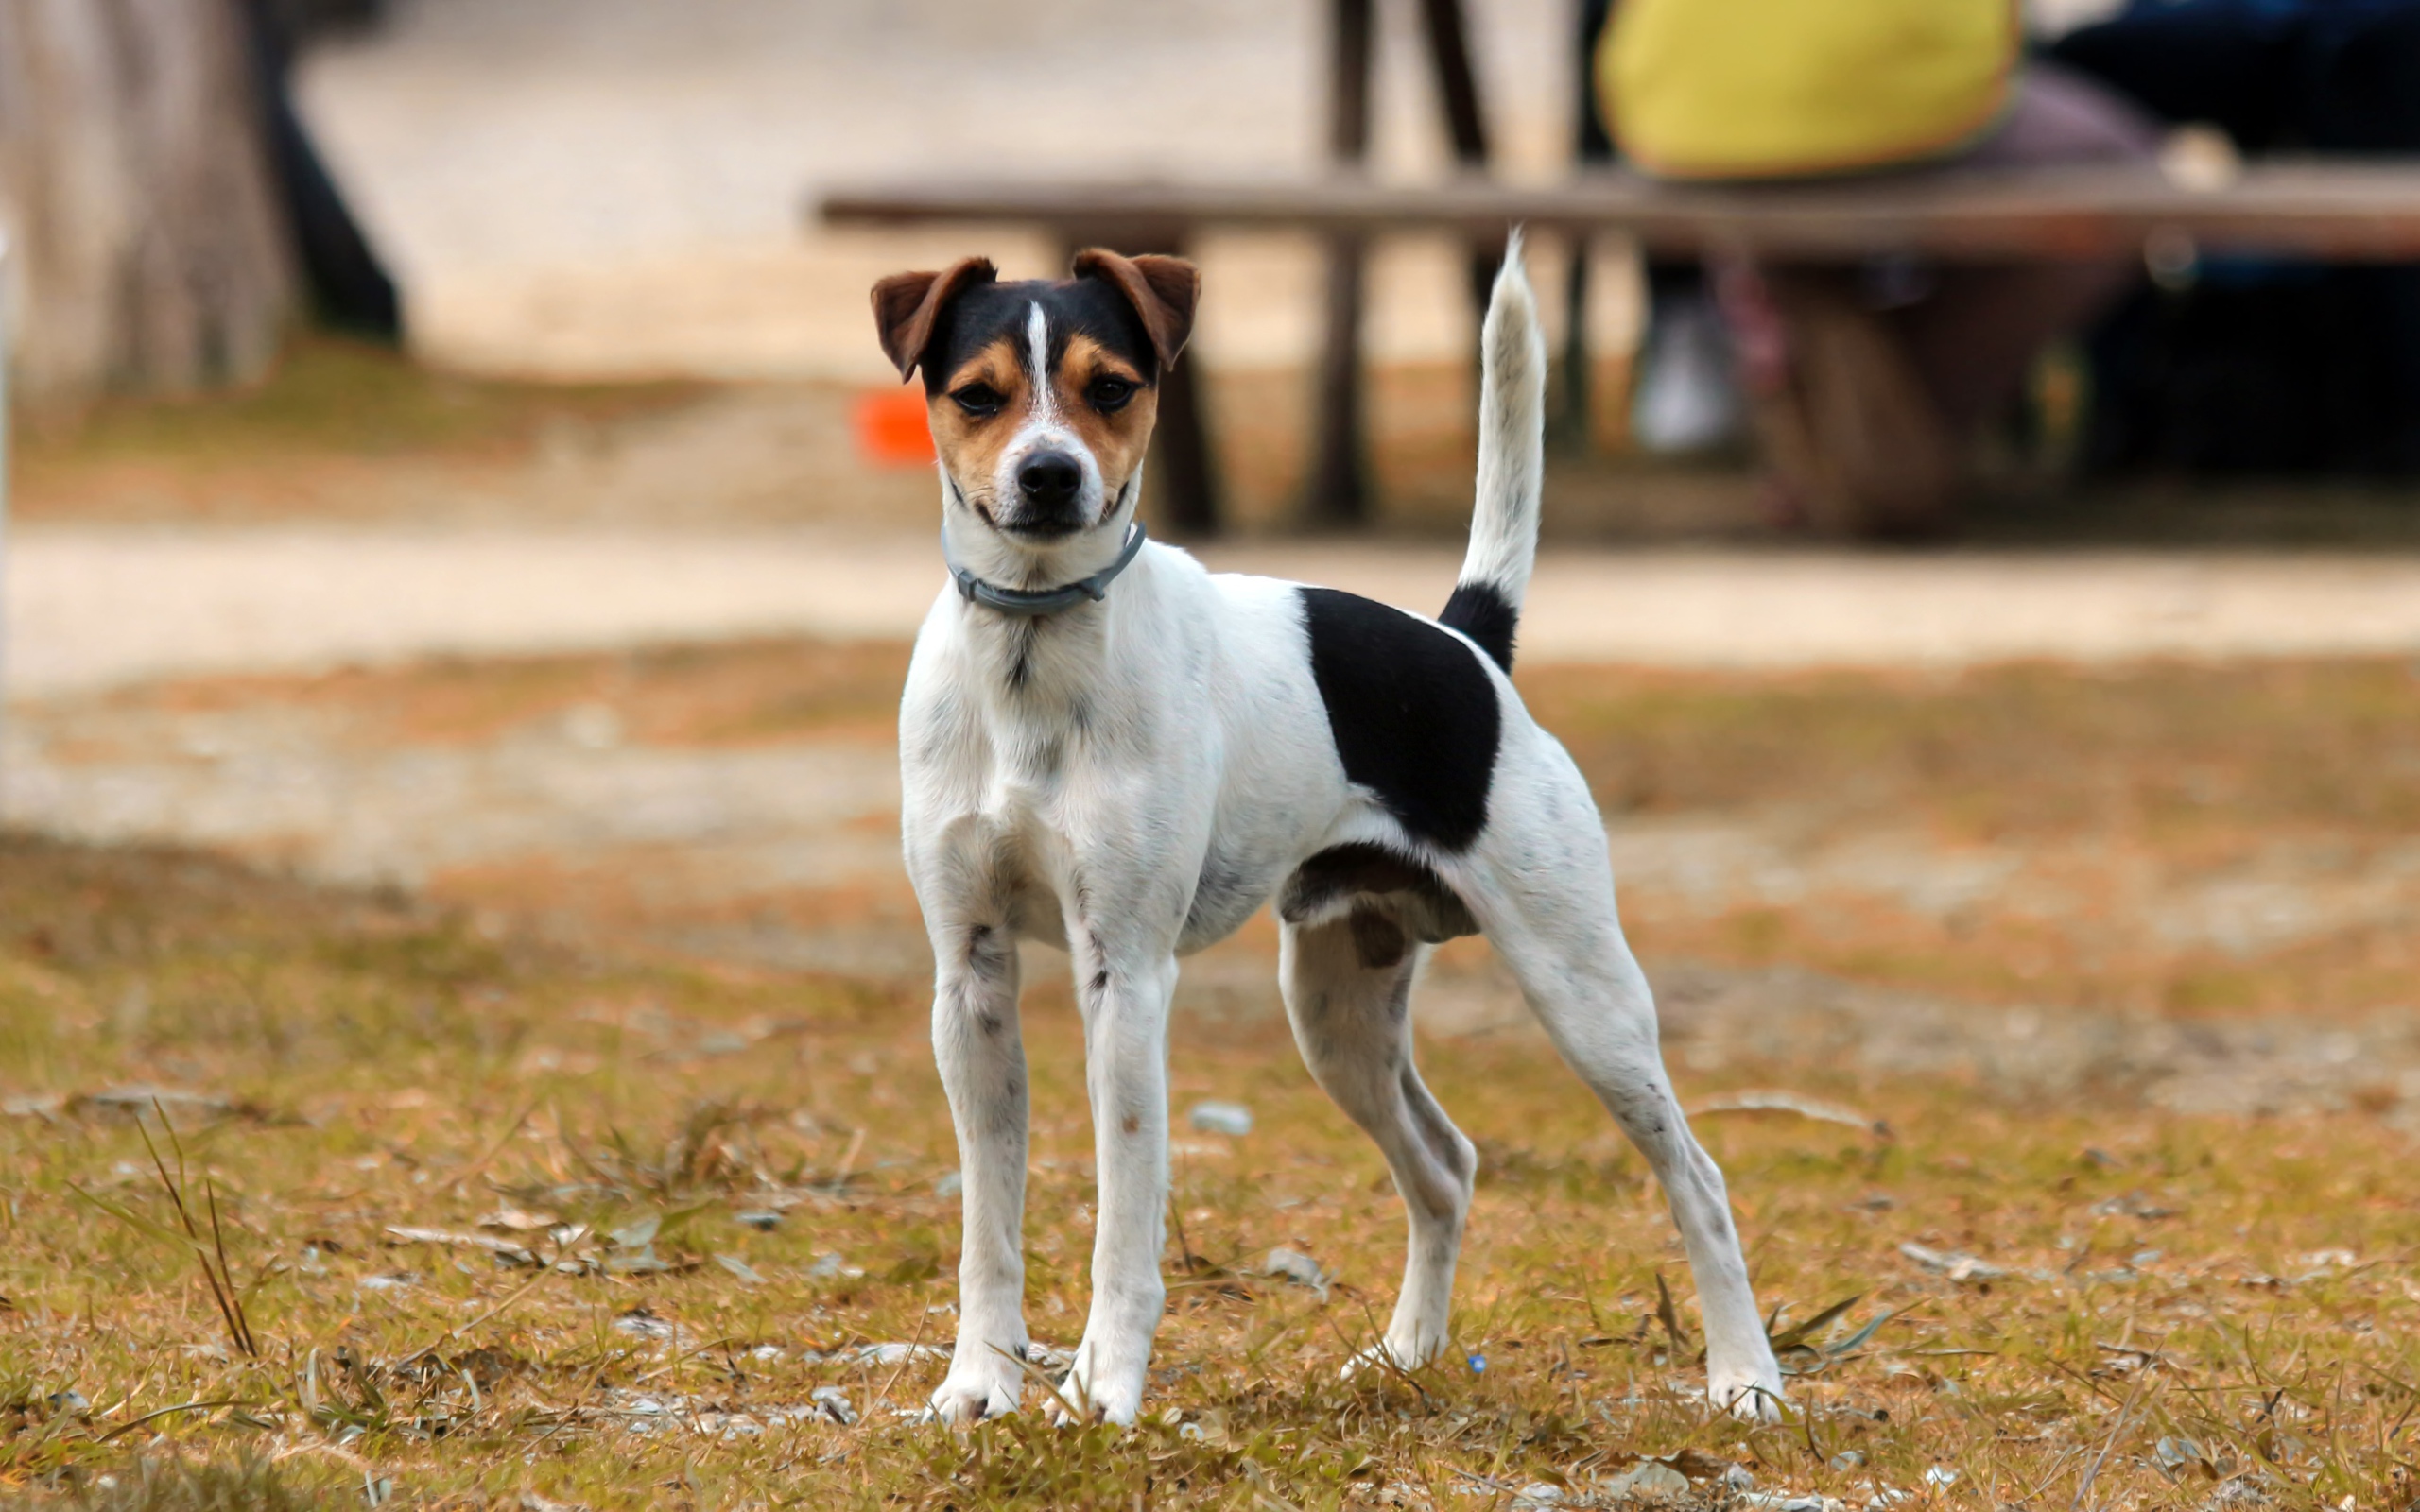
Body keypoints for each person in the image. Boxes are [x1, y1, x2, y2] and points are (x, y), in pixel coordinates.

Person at [1592, 0, 2159, 534]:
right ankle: (1897, 413)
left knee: (1786, 184)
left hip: (1677, 107)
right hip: (1896, 98)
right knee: (2128, 177)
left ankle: (1829, 400)